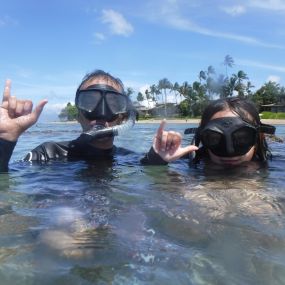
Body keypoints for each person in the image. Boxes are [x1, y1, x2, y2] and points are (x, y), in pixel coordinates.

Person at [0, 70, 137, 172]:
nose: (101, 112)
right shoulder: (48, 153)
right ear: (78, 115)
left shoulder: (132, 160)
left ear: (122, 118)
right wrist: (5, 140)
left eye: (113, 104)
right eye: (89, 102)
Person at [141, 97, 276, 166]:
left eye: (242, 138)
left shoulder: (277, 165)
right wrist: (157, 158)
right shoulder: (183, 162)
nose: (228, 152)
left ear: (258, 137)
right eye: (214, 138)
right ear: (202, 137)